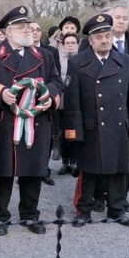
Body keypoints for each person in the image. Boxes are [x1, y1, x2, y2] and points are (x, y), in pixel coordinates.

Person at [0, 6, 62, 236]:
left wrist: (48, 95)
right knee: (3, 170)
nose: (27, 30)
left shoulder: (44, 55)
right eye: (21, 27)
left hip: (37, 120)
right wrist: (1, 92)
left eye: (28, 26)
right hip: (5, 120)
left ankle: (30, 215)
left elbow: (56, 81)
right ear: (8, 31)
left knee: (33, 170)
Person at [64, 14, 129, 226]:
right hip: (91, 126)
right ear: (90, 40)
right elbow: (72, 102)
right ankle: (83, 211)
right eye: (99, 37)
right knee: (89, 170)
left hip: (118, 125)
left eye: (107, 36)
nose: (104, 40)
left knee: (119, 169)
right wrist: (73, 132)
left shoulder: (125, 61)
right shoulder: (77, 63)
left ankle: (116, 210)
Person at [29, 21, 61, 187]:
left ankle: (44, 169)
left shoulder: (51, 52)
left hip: (45, 101)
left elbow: (55, 77)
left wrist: (49, 93)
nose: (35, 32)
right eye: (31, 29)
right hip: (25, 103)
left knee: (45, 139)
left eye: (38, 29)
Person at [55, 33, 80, 175]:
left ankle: (75, 163)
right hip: (62, 101)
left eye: (73, 42)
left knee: (75, 133)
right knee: (63, 134)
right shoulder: (58, 60)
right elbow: (56, 78)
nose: (70, 45)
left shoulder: (82, 59)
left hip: (77, 103)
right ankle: (65, 162)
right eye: (67, 43)